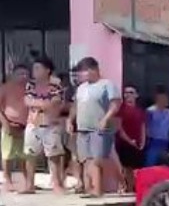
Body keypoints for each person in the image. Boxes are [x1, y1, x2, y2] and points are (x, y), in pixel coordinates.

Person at [67, 57, 122, 198]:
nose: (80, 75)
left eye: (83, 72)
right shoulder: (81, 88)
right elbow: (76, 106)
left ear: (93, 70)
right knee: (86, 159)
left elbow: (115, 103)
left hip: (99, 128)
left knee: (97, 159)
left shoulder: (106, 84)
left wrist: (106, 118)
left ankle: (98, 189)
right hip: (82, 127)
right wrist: (70, 120)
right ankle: (89, 188)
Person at [22, 57, 66, 194]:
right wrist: (43, 103)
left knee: (53, 155)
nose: (34, 71)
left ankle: (57, 184)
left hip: (50, 124)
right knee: (30, 155)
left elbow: (54, 102)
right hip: (33, 124)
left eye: (38, 68)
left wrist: (38, 103)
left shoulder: (56, 85)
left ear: (47, 70)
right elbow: (27, 101)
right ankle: (29, 184)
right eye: (34, 68)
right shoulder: (31, 85)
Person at [0, 65, 29, 193]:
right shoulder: (5, 88)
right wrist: (5, 123)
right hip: (9, 124)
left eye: (26, 74)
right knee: (7, 155)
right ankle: (8, 180)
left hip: (26, 126)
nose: (24, 77)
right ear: (13, 74)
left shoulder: (29, 88)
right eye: (20, 74)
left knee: (26, 155)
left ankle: (27, 180)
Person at [115, 85, 146, 193]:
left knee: (136, 169)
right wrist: (129, 141)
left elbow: (142, 127)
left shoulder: (140, 111)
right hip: (124, 143)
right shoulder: (120, 109)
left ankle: (133, 189)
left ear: (136, 95)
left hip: (137, 144)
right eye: (126, 92)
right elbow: (119, 128)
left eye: (131, 92)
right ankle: (125, 188)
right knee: (125, 167)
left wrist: (143, 142)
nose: (128, 95)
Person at [144, 87, 169, 167]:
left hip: (164, 142)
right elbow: (145, 127)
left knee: (164, 166)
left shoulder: (168, 112)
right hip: (153, 141)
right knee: (150, 165)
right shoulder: (150, 111)